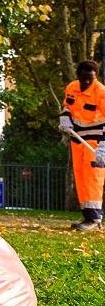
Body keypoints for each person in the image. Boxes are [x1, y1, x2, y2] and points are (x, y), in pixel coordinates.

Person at [59, 59, 105, 230]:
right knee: (81, 177)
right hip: (77, 137)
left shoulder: (101, 92)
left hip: (97, 139)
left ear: (96, 77)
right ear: (78, 75)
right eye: (83, 78)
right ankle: (88, 216)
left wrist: (103, 147)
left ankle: (94, 219)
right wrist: (65, 118)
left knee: (93, 177)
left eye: (90, 79)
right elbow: (67, 107)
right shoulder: (71, 87)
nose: (86, 82)